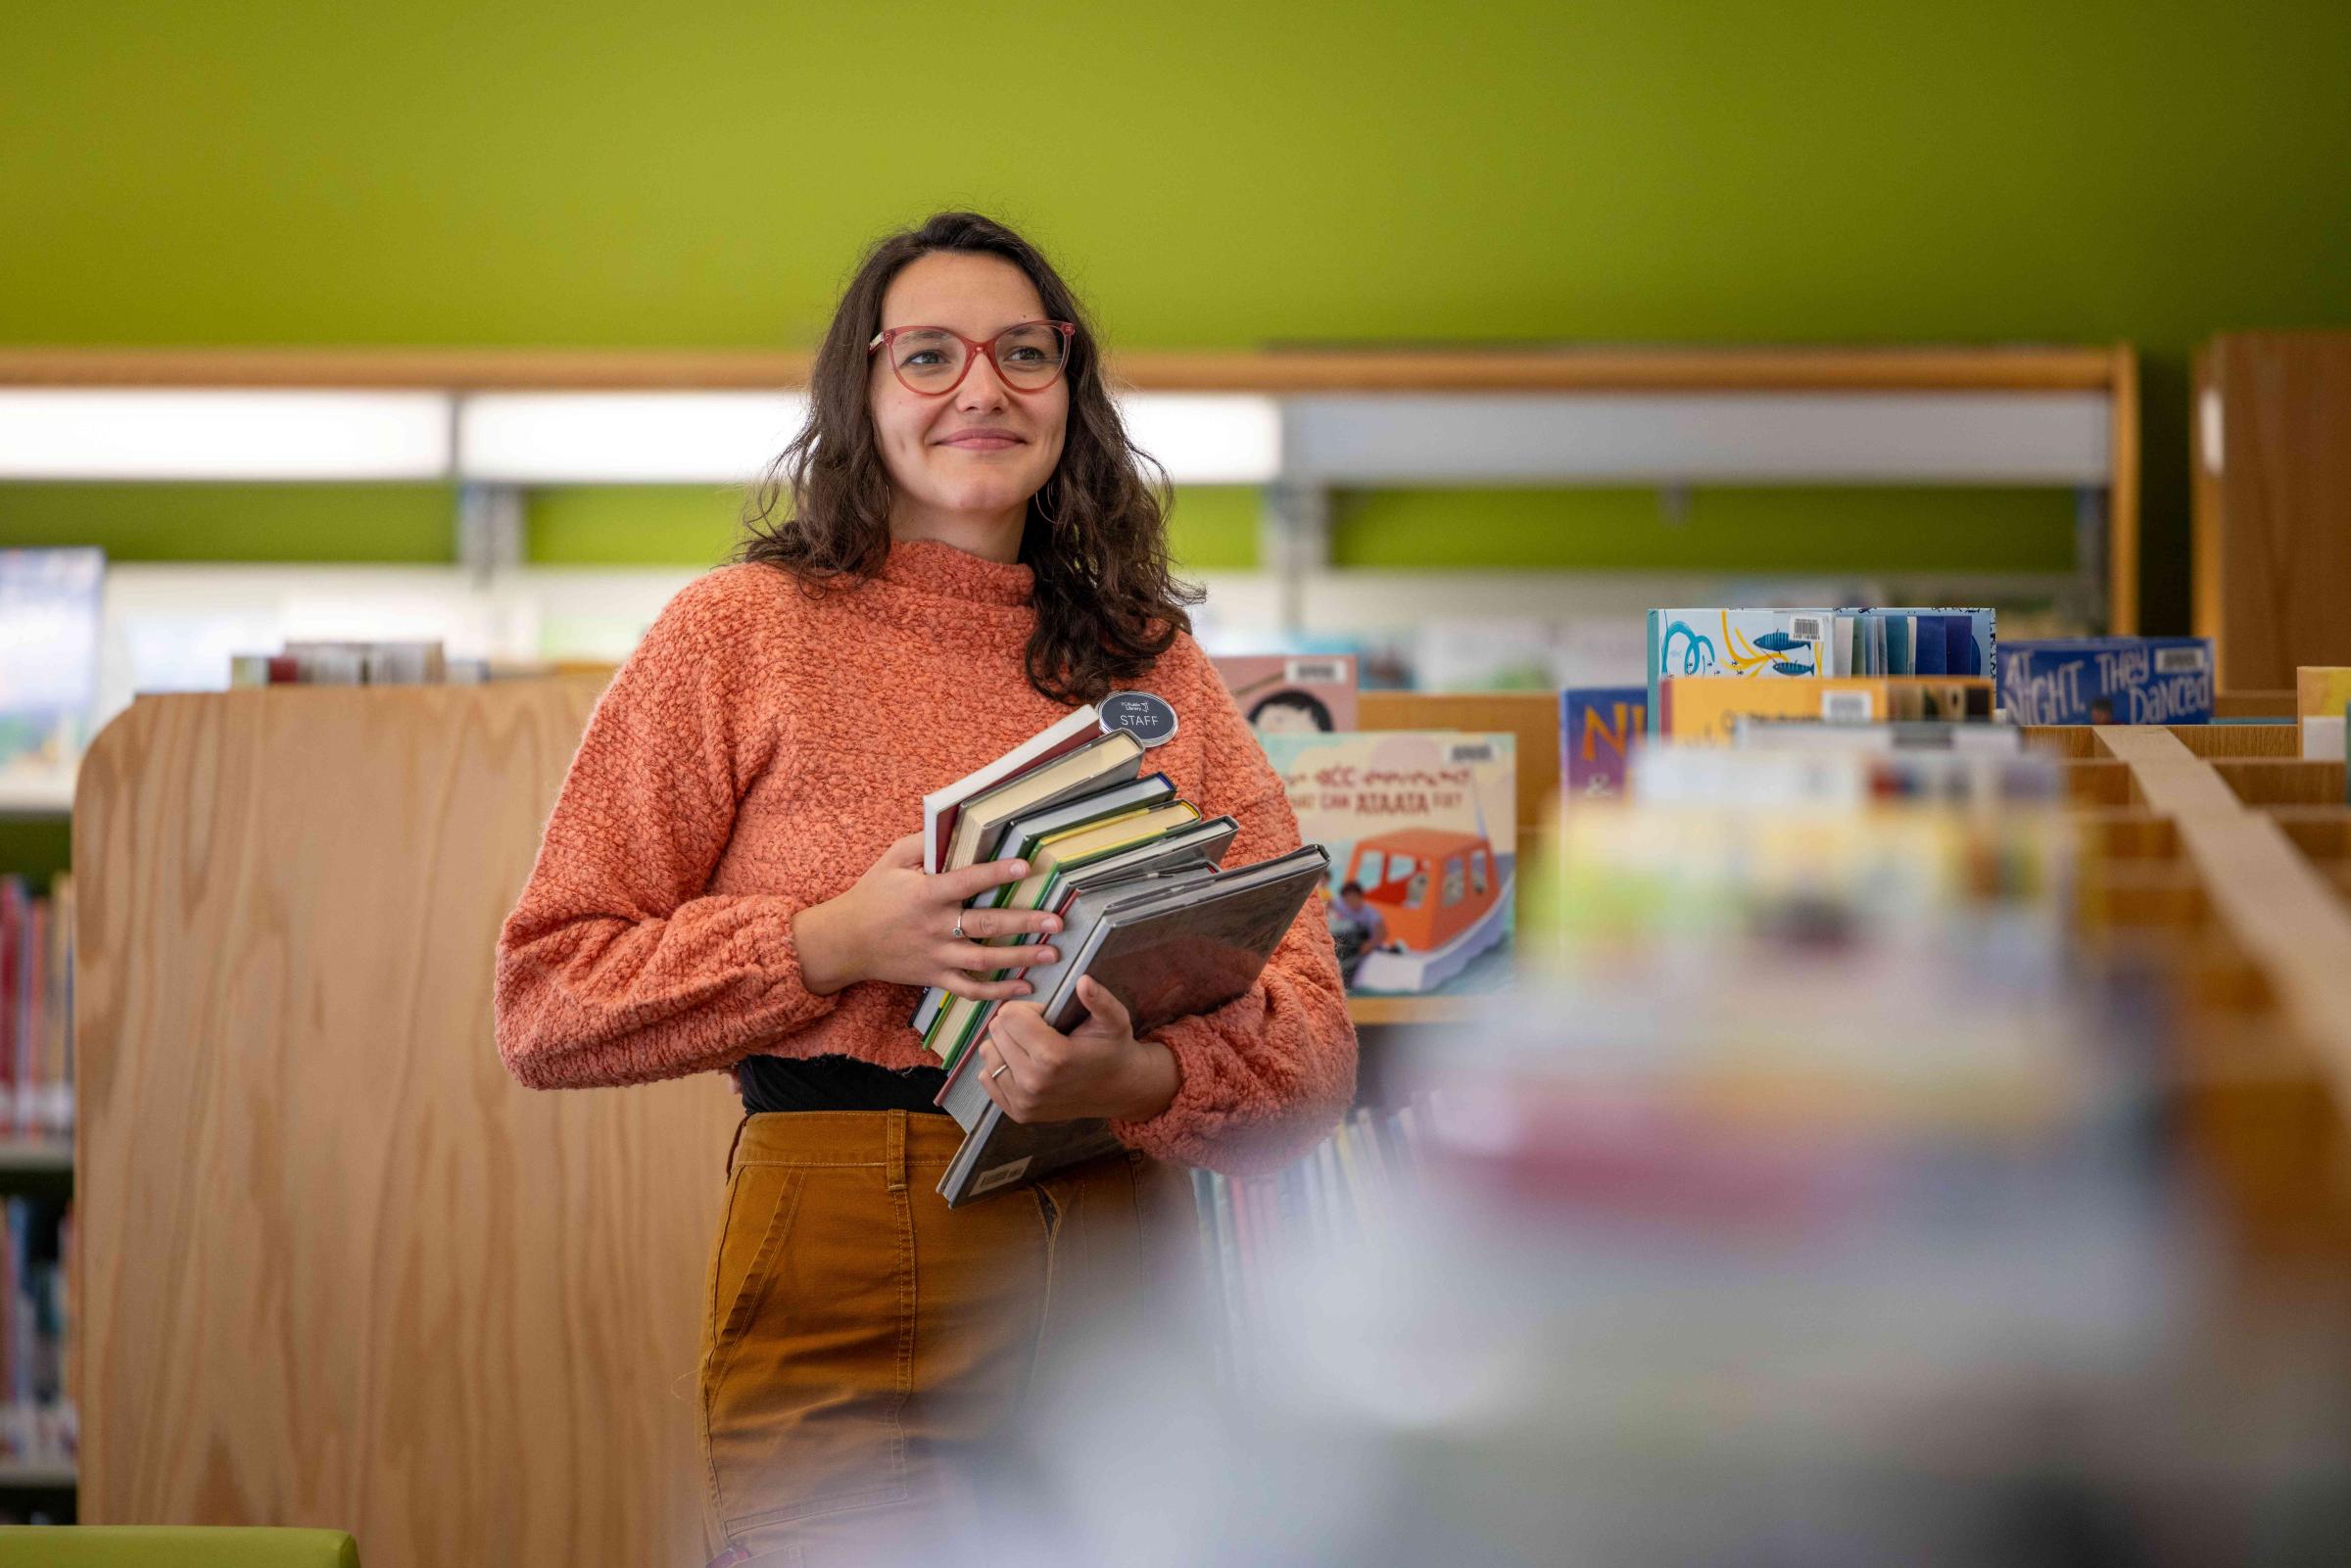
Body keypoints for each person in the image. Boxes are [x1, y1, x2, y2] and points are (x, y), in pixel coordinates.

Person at [491, 211, 1356, 1566]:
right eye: (930, 354)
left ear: (1071, 386)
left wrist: (1130, 1083)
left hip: (1122, 1260)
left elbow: (1312, 1043)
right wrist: (828, 941)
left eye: (1026, 351)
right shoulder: (741, 632)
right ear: (863, 389)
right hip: (847, 1242)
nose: (983, 388)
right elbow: (547, 997)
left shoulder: (1152, 661)